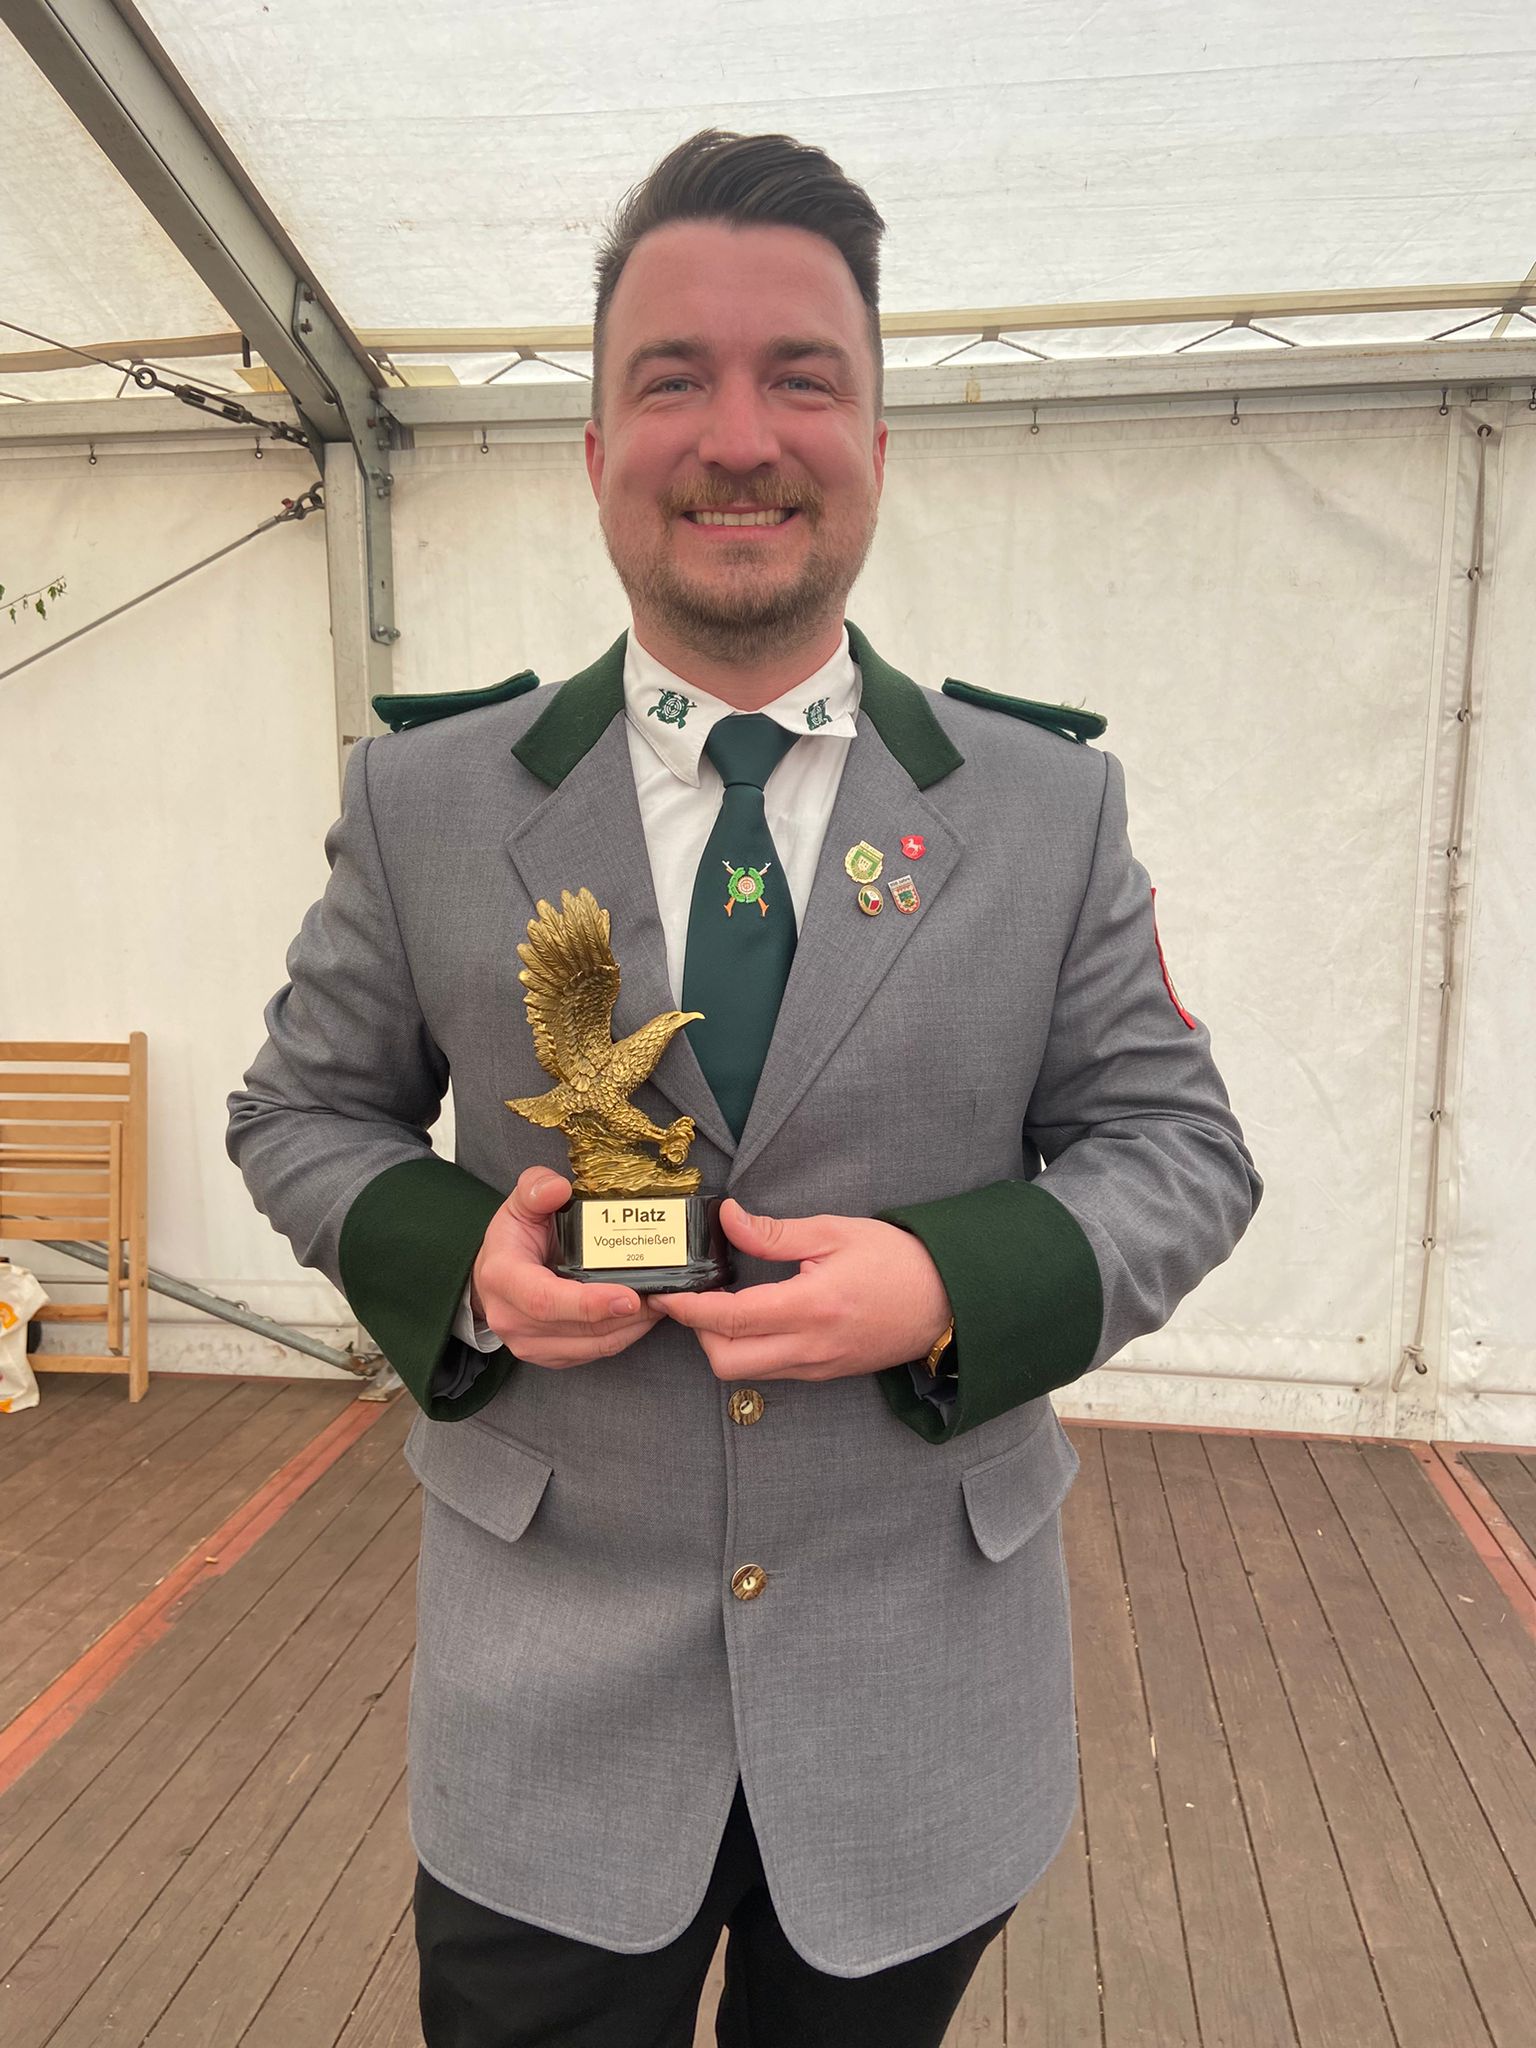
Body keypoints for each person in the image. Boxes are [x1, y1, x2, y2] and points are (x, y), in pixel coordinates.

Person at [228, 129, 1260, 2048]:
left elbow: (1178, 1150)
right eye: (671, 381)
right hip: (544, 1718)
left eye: (802, 377)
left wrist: (950, 1285)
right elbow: (300, 1114)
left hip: (914, 1714)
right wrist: (468, 1270)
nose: (739, 438)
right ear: (593, 450)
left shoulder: (1045, 809)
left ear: (877, 439)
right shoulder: (429, 799)